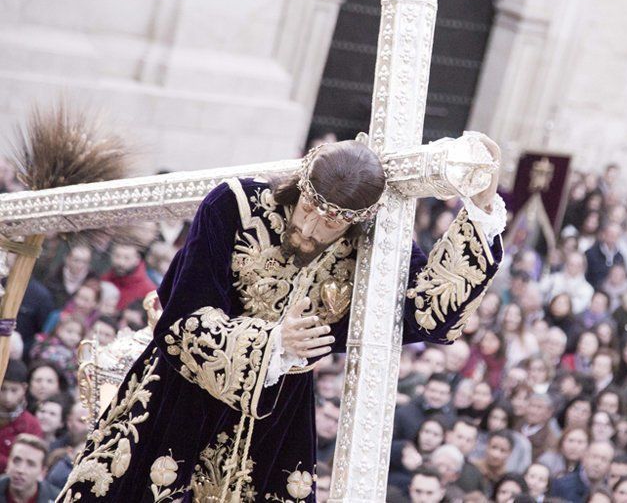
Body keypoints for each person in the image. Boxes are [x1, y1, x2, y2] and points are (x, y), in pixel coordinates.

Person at [59, 139, 505, 502]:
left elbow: (428, 313)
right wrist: (273, 344)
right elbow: (183, 320)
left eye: (330, 225)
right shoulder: (233, 205)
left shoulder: (373, 251)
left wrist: (482, 213)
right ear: (301, 183)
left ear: (356, 222)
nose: (310, 230)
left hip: (276, 428)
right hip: (177, 402)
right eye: (308, 208)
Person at [0, 362, 42, 472]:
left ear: (24, 388)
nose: (7, 397)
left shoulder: (31, 424)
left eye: (14, 390)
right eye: (3, 389)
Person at [0, 434, 59, 502]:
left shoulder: (58, 499)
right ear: (8, 463)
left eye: (30, 464)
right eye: (16, 461)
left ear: (42, 473)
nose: (20, 470)